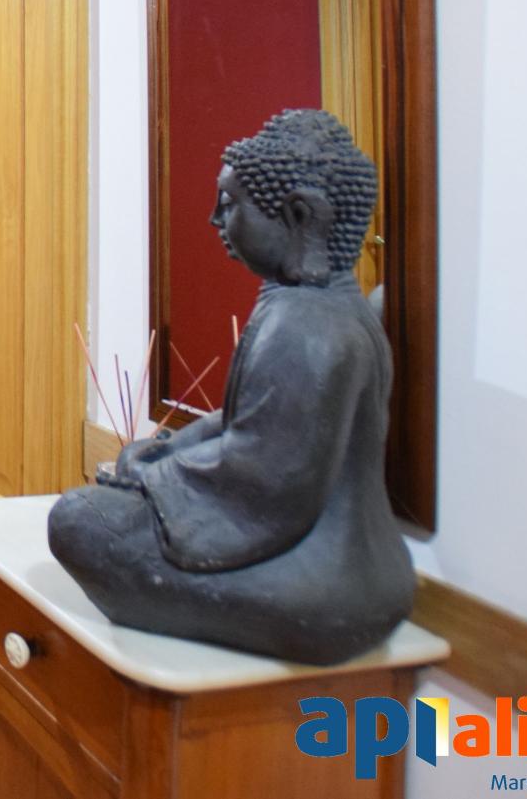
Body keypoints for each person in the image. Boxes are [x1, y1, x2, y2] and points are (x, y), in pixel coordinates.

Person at [47, 109, 414, 665]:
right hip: (366, 577)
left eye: (230, 202)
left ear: (298, 215)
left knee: (79, 518)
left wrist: (153, 475)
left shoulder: (306, 328)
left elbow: (264, 480)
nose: (215, 218)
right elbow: (246, 422)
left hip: (326, 588)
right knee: (102, 503)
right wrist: (168, 448)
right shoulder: (333, 309)